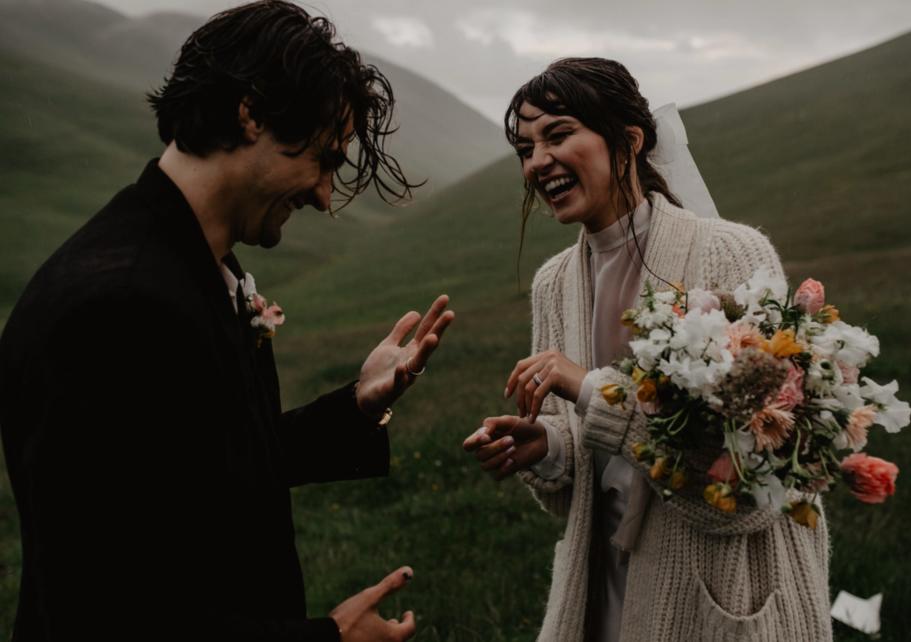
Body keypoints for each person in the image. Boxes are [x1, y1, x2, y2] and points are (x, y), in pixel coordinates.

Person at [0, 2, 453, 641]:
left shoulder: (195, 266)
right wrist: (329, 639)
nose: (325, 196)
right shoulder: (114, 307)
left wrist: (357, 405)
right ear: (252, 114)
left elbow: (208, 468)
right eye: (323, 159)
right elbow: (100, 608)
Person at [464, 58, 832, 641]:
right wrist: (548, 450)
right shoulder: (553, 284)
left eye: (557, 135)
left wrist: (591, 389)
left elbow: (756, 475)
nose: (537, 162)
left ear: (629, 141)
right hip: (604, 584)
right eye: (524, 148)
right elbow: (581, 486)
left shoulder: (732, 254)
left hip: (715, 590)